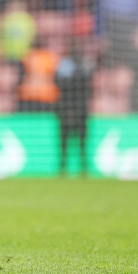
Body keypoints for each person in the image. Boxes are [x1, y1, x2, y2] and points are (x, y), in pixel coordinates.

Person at [55, 38, 94, 177]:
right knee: (69, 138)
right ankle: (68, 167)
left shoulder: (68, 65)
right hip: (72, 105)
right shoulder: (75, 64)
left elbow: (58, 81)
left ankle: (77, 167)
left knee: (76, 139)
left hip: (73, 105)